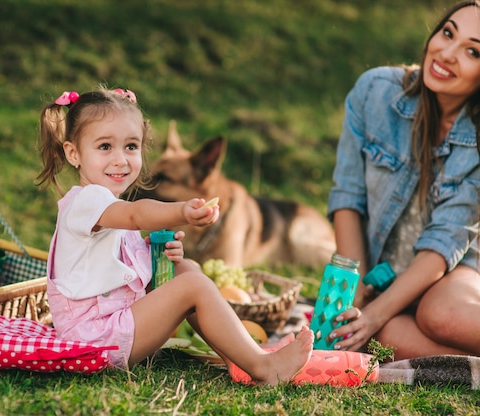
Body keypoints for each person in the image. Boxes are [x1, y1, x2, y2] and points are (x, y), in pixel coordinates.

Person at [35, 87, 313, 385]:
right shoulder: (86, 201)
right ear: (73, 153)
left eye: (131, 146)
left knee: (187, 269)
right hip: (94, 340)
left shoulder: (105, 203)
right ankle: (263, 367)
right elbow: (136, 215)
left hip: (112, 328)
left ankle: (241, 357)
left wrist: (153, 254)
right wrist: (182, 211)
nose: (121, 159)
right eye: (105, 147)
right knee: (191, 284)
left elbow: (112, 260)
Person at [326, 0, 480, 370]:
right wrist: (358, 297)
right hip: (390, 270)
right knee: (381, 336)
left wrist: (376, 312)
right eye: (447, 33)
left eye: (472, 51)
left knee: (438, 314)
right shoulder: (374, 92)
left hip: (464, 265)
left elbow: (442, 248)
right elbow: (349, 199)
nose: (446, 53)